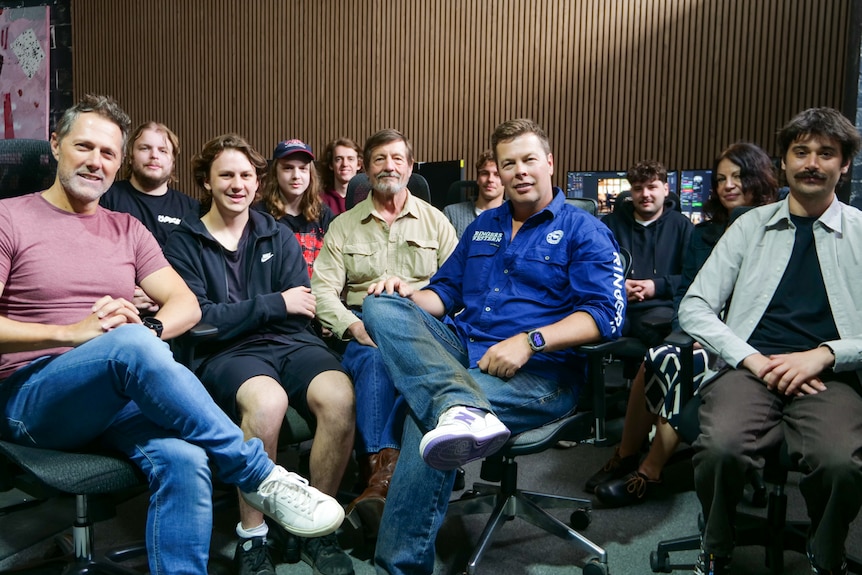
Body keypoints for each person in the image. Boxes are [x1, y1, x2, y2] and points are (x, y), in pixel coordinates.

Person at [0, 95, 344, 575]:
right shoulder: (9, 217)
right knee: (133, 343)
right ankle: (258, 473)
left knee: (186, 460)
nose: (96, 162)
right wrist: (72, 332)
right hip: (31, 395)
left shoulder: (128, 229)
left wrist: (146, 330)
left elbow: (184, 305)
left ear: (118, 163)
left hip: (117, 392)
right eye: (84, 147)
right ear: (56, 145)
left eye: (108, 154)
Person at [359, 118, 625, 574]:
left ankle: (399, 566)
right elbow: (443, 294)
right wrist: (406, 293)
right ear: (497, 172)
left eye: (528, 160)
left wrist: (530, 340)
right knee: (380, 305)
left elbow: (607, 317)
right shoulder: (484, 227)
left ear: (549, 163)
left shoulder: (585, 231)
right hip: (463, 354)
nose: (519, 171)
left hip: (539, 375)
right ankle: (456, 404)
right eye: (508, 163)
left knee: (429, 423)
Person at [678, 107, 862, 575]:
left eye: (826, 153)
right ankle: (715, 547)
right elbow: (694, 306)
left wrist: (824, 355)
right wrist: (755, 360)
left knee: (840, 463)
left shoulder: (861, 233)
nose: (812, 163)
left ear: (844, 166)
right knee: (722, 448)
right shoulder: (748, 225)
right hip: (749, 369)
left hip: (829, 377)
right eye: (800, 152)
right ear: (783, 162)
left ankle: (827, 552)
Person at [163, 134, 355, 575]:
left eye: (246, 175)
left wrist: (245, 313)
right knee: (268, 404)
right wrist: (272, 304)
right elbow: (200, 322)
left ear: (256, 181)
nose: (238, 184)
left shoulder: (278, 235)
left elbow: (298, 310)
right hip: (226, 354)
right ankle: (254, 536)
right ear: (206, 182)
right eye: (226, 175)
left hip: (291, 344)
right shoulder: (182, 244)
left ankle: (314, 528)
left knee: (340, 395)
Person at [585, 143, 779, 507]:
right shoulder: (706, 233)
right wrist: (685, 331)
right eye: (721, 179)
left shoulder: (778, 229)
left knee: (676, 363)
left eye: (737, 176)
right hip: (704, 329)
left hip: (755, 341)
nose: (728, 185)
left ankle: (650, 471)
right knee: (658, 356)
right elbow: (688, 293)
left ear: (758, 178)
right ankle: (626, 455)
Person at [311, 129, 458, 536]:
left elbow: (460, 285)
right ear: (366, 168)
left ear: (410, 168)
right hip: (365, 326)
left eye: (397, 159)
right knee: (376, 358)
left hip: (422, 323)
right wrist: (353, 325)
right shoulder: (343, 226)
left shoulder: (437, 223)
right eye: (379, 159)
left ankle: (385, 481)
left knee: (414, 365)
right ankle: (384, 472)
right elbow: (322, 291)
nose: (388, 166)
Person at [601, 160, 693, 350]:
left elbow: (692, 279)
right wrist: (618, 285)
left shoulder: (682, 226)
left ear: (666, 189)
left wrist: (655, 286)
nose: (645, 194)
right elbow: (593, 271)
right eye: (638, 188)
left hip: (660, 311)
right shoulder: (608, 225)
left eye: (652, 187)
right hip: (615, 307)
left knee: (666, 335)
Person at [100, 121, 199, 247]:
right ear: (130, 157)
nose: (154, 155)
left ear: (173, 161)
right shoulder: (106, 197)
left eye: (163, 151)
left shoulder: (191, 209)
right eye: (145, 148)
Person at [259, 138, 335, 278]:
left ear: (310, 174)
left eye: (302, 169)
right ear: (275, 172)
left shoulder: (323, 213)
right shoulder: (260, 215)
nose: (296, 176)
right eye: (288, 168)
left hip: (318, 294)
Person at [443, 150, 504, 237]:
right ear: (478, 179)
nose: (490, 179)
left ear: (505, 180)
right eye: (485, 173)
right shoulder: (451, 214)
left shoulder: (515, 216)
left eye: (497, 174)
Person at [319, 137, 362, 215]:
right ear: (331, 165)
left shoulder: (369, 198)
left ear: (359, 164)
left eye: (350, 159)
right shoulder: (320, 200)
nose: (345, 164)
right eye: (338, 159)